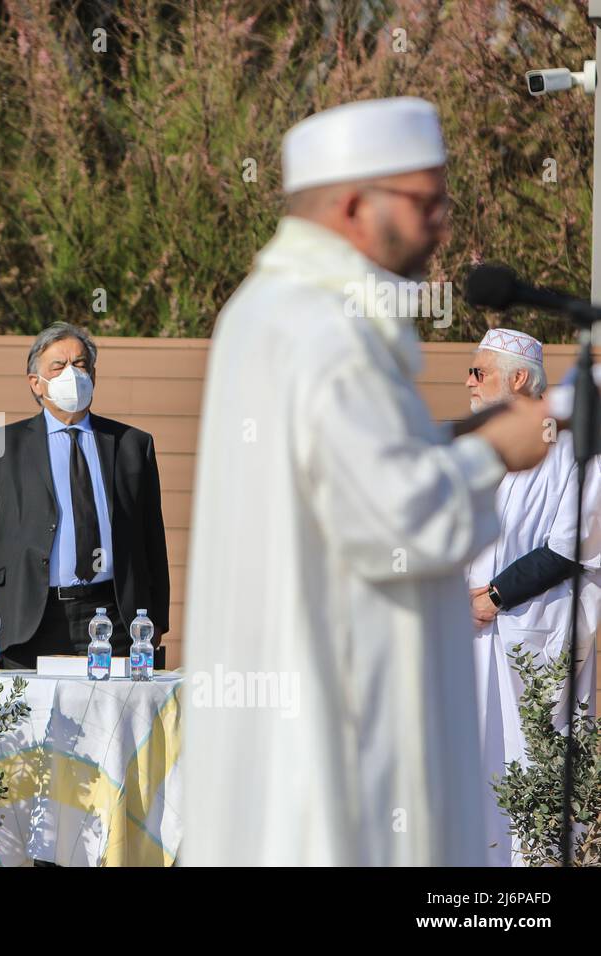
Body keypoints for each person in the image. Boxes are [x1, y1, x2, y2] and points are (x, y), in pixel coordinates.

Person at [182, 97, 554, 865]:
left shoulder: (271, 311)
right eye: (426, 201)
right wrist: (496, 452)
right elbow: (404, 521)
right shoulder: (328, 330)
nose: (442, 223)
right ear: (355, 204)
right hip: (340, 747)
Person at [464, 328, 601, 865]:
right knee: (480, 757)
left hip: (536, 636)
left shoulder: (570, 444)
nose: (469, 383)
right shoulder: (485, 444)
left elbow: (572, 544)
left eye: (479, 372)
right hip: (479, 637)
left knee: (535, 759)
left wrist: (494, 595)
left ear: (518, 377)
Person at [0, 321, 170, 667]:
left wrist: (158, 617)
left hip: (112, 618)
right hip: (26, 614)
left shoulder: (133, 444)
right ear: (36, 383)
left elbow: (152, 536)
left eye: (80, 364)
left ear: (93, 376)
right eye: (58, 366)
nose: (71, 373)